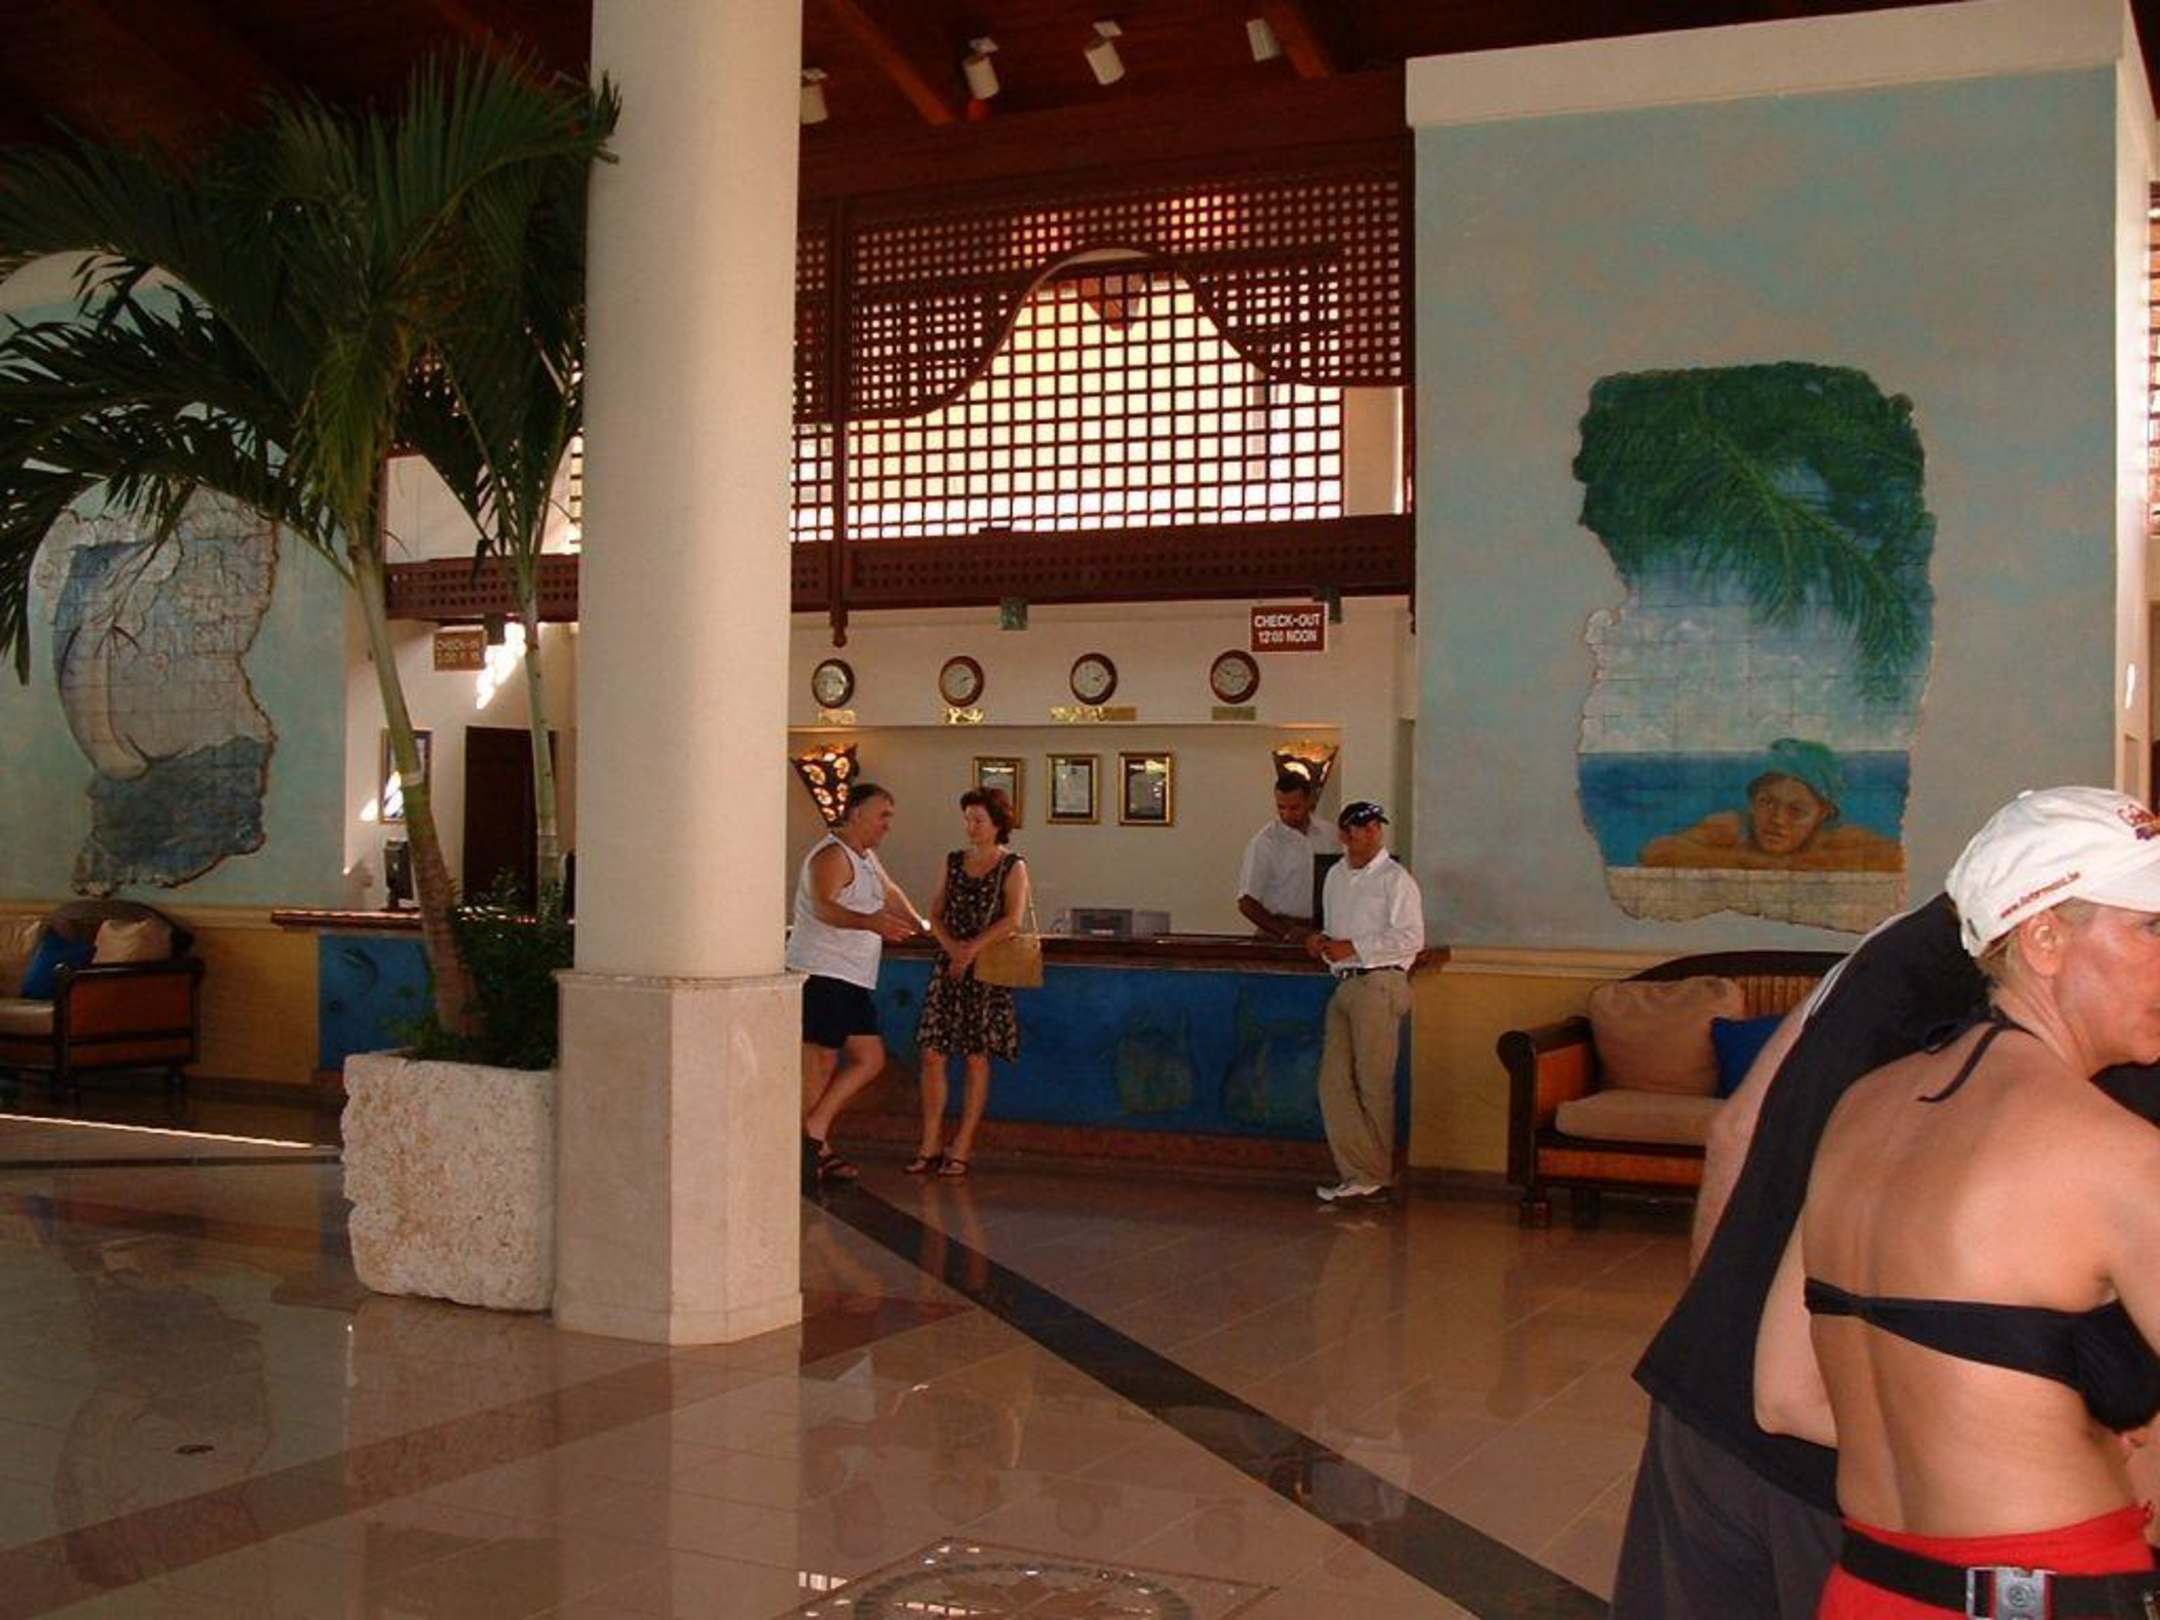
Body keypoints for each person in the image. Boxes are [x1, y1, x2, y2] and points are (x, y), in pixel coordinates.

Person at [1751, 786, 2160, 1617]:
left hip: (1868, 1588)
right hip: (2052, 1591)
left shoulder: (1862, 1112)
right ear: (2044, 937)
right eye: (2152, 928)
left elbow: (1784, 1396)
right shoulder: (2116, 1154)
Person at [786, 783, 925, 1187]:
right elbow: (823, 905)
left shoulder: (866, 858)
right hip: (822, 971)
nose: (887, 825)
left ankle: (814, 1130)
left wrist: (919, 924)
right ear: (857, 813)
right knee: (820, 1062)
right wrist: (870, 922)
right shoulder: (831, 855)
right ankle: (812, 1147)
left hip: (851, 976)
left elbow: (890, 892)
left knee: (870, 1058)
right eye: (882, 816)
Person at [1304, 801, 1423, 1205]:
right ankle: (1360, 1169)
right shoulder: (1335, 876)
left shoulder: (1395, 879)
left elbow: (1411, 938)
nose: (1370, 834)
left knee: (1374, 1082)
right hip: (1344, 982)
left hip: (1380, 982)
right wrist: (1323, 943)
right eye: (1361, 827)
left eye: (1375, 827)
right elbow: (1334, 928)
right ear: (1344, 834)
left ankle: (1375, 1175)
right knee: (1333, 1083)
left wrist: (1355, 946)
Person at [911, 786, 1030, 1180]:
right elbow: (936, 911)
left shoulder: (1012, 866)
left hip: (986, 969)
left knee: (977, 1057)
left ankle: (962, 1144)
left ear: (997, 824)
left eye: (979, 820)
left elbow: (1012, 919)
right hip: (951, 966)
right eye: (968, 819)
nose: (971, 827)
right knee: (933, 1053)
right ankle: (929, 1142)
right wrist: (951, 947)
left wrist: (972, 949)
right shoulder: (954, 861)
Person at [1641, 737, 1903, 872]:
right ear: (1752, 802)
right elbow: (1656, 852)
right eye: (1767, 803)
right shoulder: (1733, 827)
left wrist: (1799, 864)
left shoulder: (1832, 838)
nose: (1777, 819)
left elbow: (1896, 856)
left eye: (1796, 810)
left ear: (1822, 814)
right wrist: (1750, 861)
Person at [1237, 771, 1338, 941]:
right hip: (1276, 932)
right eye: (1281, 807)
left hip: (1321, 931)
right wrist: (1287, 933)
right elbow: (1246, 902)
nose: (1287, 814)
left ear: (1310, 800)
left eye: (1294, 808)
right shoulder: (1264, 842)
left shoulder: (1331, 835)